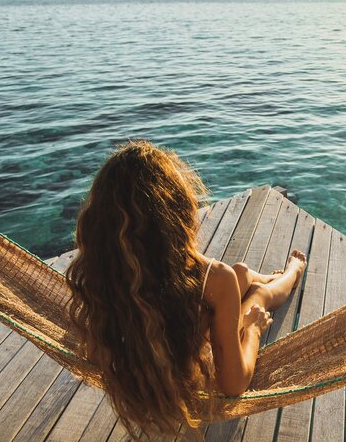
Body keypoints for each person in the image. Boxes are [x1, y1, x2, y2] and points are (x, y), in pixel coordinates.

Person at [65, 140, 306, 438]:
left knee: (240, 274)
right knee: (257, 296)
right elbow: (233, 385)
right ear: (176, 214)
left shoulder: (101, 279)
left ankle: (265, 275)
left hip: (178, 324)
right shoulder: (214, 278)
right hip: (187, 344)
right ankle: (293, 272)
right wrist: (254, 329)